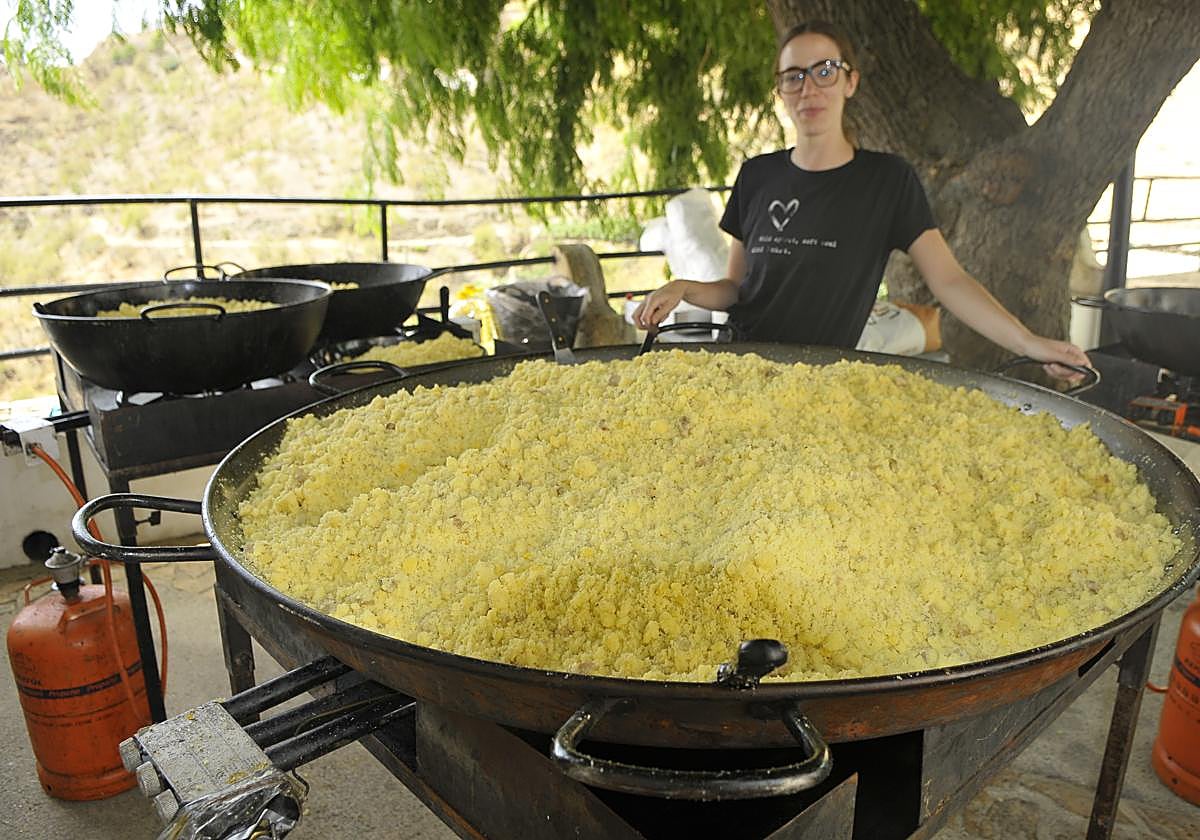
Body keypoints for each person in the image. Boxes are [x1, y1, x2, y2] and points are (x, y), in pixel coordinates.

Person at [633, 20, 1090, 380]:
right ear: (781, 90)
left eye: (824, 71)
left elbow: (949, 282)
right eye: (793, 77)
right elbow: (736, 289)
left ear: (850, 81)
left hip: (828, 382)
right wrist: (683, 288)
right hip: (743, 368)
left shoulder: (887, 180)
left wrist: (1029, 343)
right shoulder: (758, 175)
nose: (809, 88)